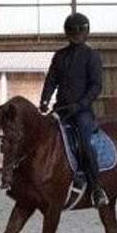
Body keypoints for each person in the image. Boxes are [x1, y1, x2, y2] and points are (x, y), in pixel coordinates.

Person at [39, 12, 109, 208]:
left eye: (79, 31)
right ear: (67, 33)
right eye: (72, 32)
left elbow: (96, 86)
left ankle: (96, 189)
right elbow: (51, 80)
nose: (76, 35)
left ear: (85, 33)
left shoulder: (91, 56)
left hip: (82, 112)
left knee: (85, 144)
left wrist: (79, 105)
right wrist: (44, 99)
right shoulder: (60, 56)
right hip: (60, 109)